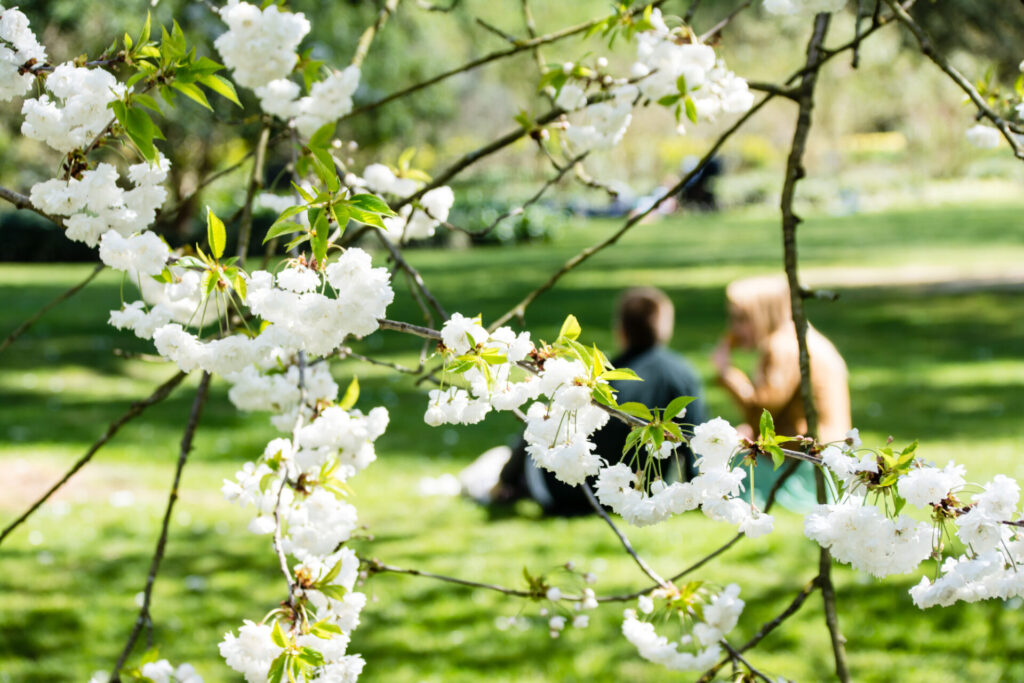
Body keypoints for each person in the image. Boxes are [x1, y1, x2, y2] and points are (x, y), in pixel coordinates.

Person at [462, 287, 708, 515]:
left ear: (620, 331)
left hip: (560, 492)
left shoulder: (595, 380)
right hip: (630, 494)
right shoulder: (683, 377)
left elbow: (537, 431)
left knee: (505, 456)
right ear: (666, 327)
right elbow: (692, 443)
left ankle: (497, 484)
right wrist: (693, 490)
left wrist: (506, 479)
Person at [711, 275, 851, 509]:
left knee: (713, 461)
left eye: (742, 319)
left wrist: (727, 374)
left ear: (765, 313)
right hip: (826, 458)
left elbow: (760, 412)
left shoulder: (781, 347)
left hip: (802, 466)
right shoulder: (802, 338)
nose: (733, 329)